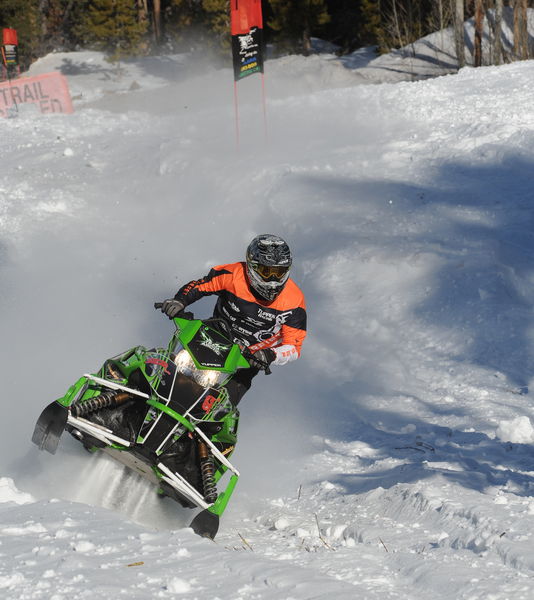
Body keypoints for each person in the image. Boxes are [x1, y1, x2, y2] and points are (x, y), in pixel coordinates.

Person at [158, 234, 307, 406]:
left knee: (224, 406)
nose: (273, 280)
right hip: (211, 338)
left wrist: (270, 354)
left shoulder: (294, 301)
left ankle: (212, 429)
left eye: (279, 272)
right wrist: (179, 301)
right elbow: (200, 286)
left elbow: (294, 346)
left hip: (247, 358)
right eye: (267, 272)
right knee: (164, 366)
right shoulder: (233, 274)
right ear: (252, 266)